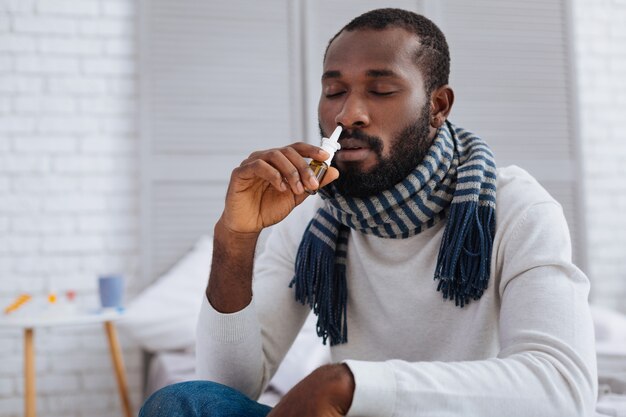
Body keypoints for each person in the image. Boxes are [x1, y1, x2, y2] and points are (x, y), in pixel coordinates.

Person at [140, 8, 597, 417]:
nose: (348, 113)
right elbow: (228, 387)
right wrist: (234, 238)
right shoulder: (310, 217)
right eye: (334, 90)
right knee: (183, 403)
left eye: (380, 90)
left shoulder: (516, 207)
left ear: (437, 106)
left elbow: (562, 387)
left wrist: (350, 385)